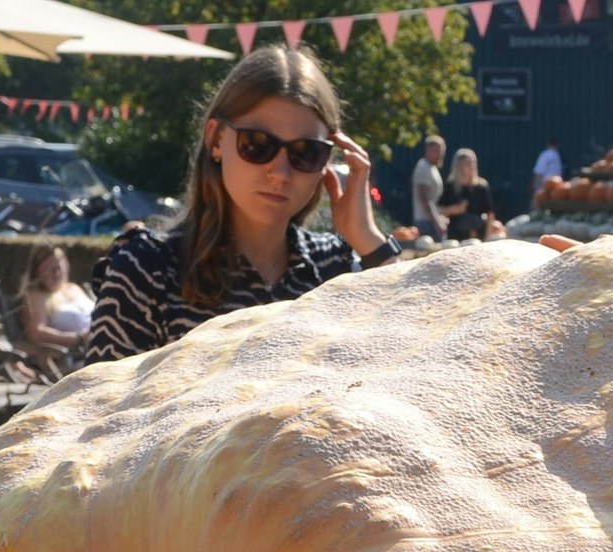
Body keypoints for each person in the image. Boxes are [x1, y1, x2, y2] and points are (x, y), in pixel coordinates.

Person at [85, 46, 402, 365]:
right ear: (217, 139)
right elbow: (97, 410)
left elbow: (414, 369)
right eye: (257, 145)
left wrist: (369, 241)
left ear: (328, 160)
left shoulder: (336, 267)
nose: (280, 173)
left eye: (306, 152)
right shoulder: (147, 269)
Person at [19, 243, 96, 356]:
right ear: (37, 272)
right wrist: (78, 339)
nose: (56, 274)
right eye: (48, 269)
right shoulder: (37, 296)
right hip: (78, 355)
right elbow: (36, 333)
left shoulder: (74, 288)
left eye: (59, 267)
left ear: (66, 266)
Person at [437, 148, 496, 242]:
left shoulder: (481, 186)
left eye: (473, 163)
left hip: (478, 234)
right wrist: (453, 209)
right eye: (468, 163)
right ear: (459, 166)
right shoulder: (451, 186)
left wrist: (487, 236)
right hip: (456, 235)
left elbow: (490, 213)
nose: (472, 166)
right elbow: (440, 209)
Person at [413, 133, 447, 240]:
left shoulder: (432, 168)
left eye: (440, 151)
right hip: (426, 222)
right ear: (427, 151)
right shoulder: (424, 168)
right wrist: (436, 222)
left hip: (432, 220)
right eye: (434, 151)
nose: (438, 155)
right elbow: (425, 198)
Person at [531, 137, 563, 205]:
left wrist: (535, 188)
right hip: (547, 188)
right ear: (558, 145)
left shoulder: (547, 155)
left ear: (548, 144)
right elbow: (539, 172)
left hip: (550, 188)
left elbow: (538, 172)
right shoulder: (553, 155)